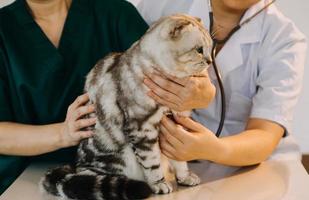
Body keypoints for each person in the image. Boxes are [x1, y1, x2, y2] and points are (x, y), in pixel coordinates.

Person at [131, 0, 307, 167]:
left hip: (259, 166)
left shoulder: (285, 40)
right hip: (168, 161)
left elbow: (265, 134)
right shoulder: (158, 7)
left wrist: (212, 149)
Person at [0, 0, 151, 194]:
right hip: (25, 181)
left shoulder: (116, 15)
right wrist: (63, 134)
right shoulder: (4, 29)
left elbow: (161, 84)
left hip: (121, 173)